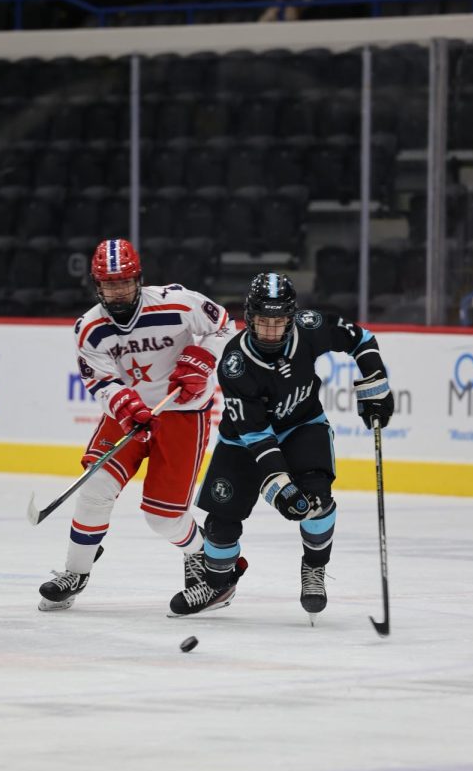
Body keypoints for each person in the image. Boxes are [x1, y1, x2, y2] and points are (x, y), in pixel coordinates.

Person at [168, 272, 394, 619]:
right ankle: (218, 583)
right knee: (220, 526)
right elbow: (258, 437)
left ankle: (314, 569)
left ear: (291, 318)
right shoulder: (235, 363)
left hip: (303, 426)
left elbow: (360, 339)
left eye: (279, 322)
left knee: (318, 498)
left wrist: (374, 383)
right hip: (243, 443)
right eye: (263, 322)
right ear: (249, 317)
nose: (271, 331)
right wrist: (281, 487)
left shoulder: (309, 328)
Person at [38, 238, 235, 612]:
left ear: (139, 279)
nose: (117, 290)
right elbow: (100, 380)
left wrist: (203, 359)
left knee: (163, 518)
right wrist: (123, 403)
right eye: (109, 284)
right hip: (129, 416)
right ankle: (75, 572)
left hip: (182, 413)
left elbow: (225, 326)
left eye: (124, 281)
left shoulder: (177, 302)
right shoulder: (90, 327)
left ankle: (206, 560)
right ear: (97, 285)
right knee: (95, 486)